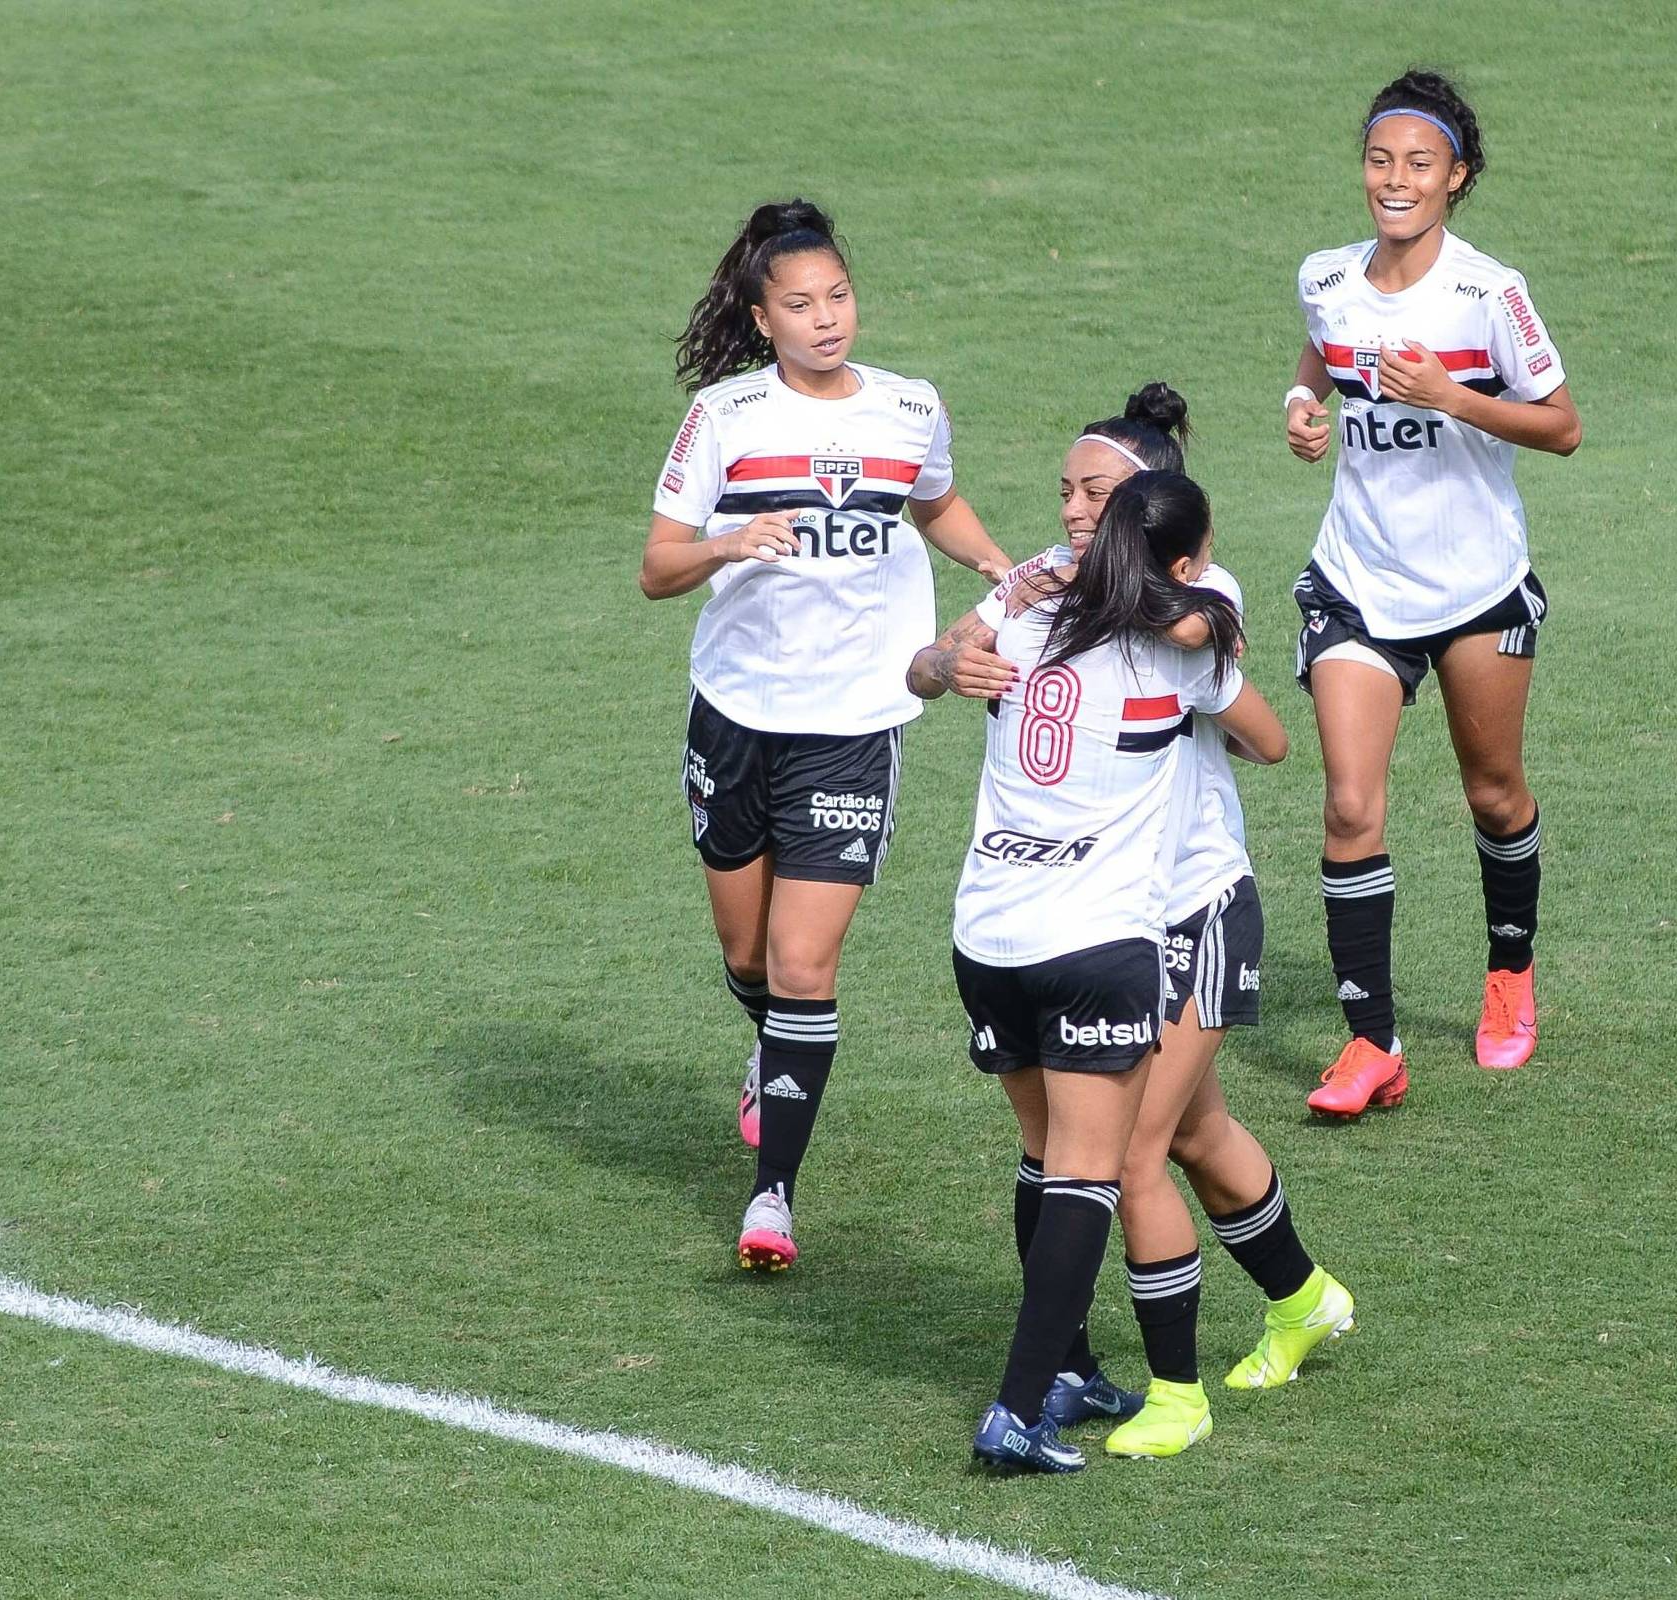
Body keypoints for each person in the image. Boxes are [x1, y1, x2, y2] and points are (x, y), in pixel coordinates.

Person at [914, 391, 1355, 1461]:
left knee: (1131, 1155)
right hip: (1102, 914)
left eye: (1096, 495)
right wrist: (952, 663)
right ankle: (1301, 1298)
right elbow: (929, 666)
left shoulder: (1195, 585)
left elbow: (1225, 665)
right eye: (1065, 492)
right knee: (1194, 1133)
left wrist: (1113, 599)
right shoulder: (1043, 587)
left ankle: (1175, 1391)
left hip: (1191, 903)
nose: (1073, 513)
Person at [640, 198, 1009, 1271]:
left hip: (856, 720)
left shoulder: (908, 407)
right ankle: (769, 1049)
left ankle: (772, 1199)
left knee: (804, 964)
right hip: (739, 713)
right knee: (747, 953)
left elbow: (931, 503)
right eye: (800, 304)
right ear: (762, 320)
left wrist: (989, 563)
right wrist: (728, 544)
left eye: (838, 295)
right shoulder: (725, 418)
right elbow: (657, 568)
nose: (826, 317)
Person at [1282, 70, 1583, 1117]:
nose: (1395, 181)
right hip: (1359, 582)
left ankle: (1510, 972)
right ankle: (1374, 1044)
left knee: (1493, 790)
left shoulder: (1486, 294)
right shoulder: (1326, 278)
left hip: (1475, 589)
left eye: (1419, 164)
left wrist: (1455, 397)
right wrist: (1302, 405)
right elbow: (1322, 361)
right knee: (1351, 801)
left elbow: (1563, 424)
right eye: (1380, 160)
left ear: (1455, 178)